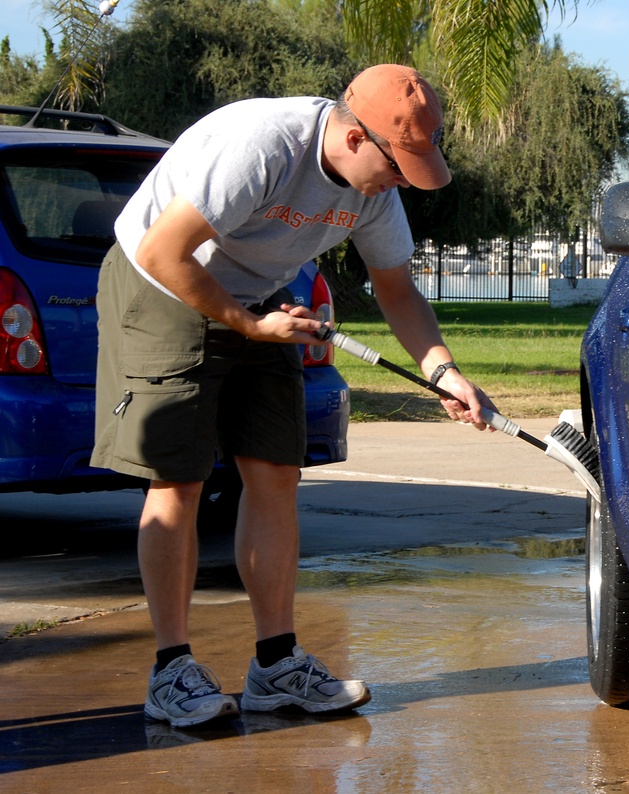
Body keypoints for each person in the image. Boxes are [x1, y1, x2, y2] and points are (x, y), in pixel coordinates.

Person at [93, 64, 493, 729]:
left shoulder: (374, 189)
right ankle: (171, 671)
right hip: (161, 285)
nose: (401, 184)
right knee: (179, 480)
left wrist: (444, 372)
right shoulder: (263, 147)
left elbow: (397, 291)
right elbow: (165, 251)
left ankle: (277, 667)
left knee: (276, 471)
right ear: (356, 138)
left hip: (257, 298)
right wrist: (250, 326)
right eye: (398, 167)